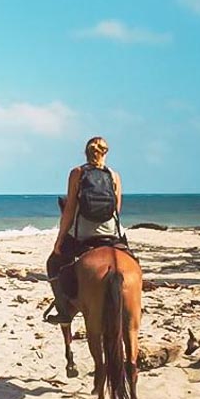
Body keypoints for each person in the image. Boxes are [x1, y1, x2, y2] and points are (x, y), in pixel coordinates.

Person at [44, 136, 123, 325]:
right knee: (131, 261)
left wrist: (60, 240)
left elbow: (69, 209)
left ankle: (63, 312)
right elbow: (117, 209)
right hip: (111, 234)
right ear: (106, 153)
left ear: (86, 153)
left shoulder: (77, 173)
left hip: (83, 235)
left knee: (53, 263)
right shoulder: (114, 176)